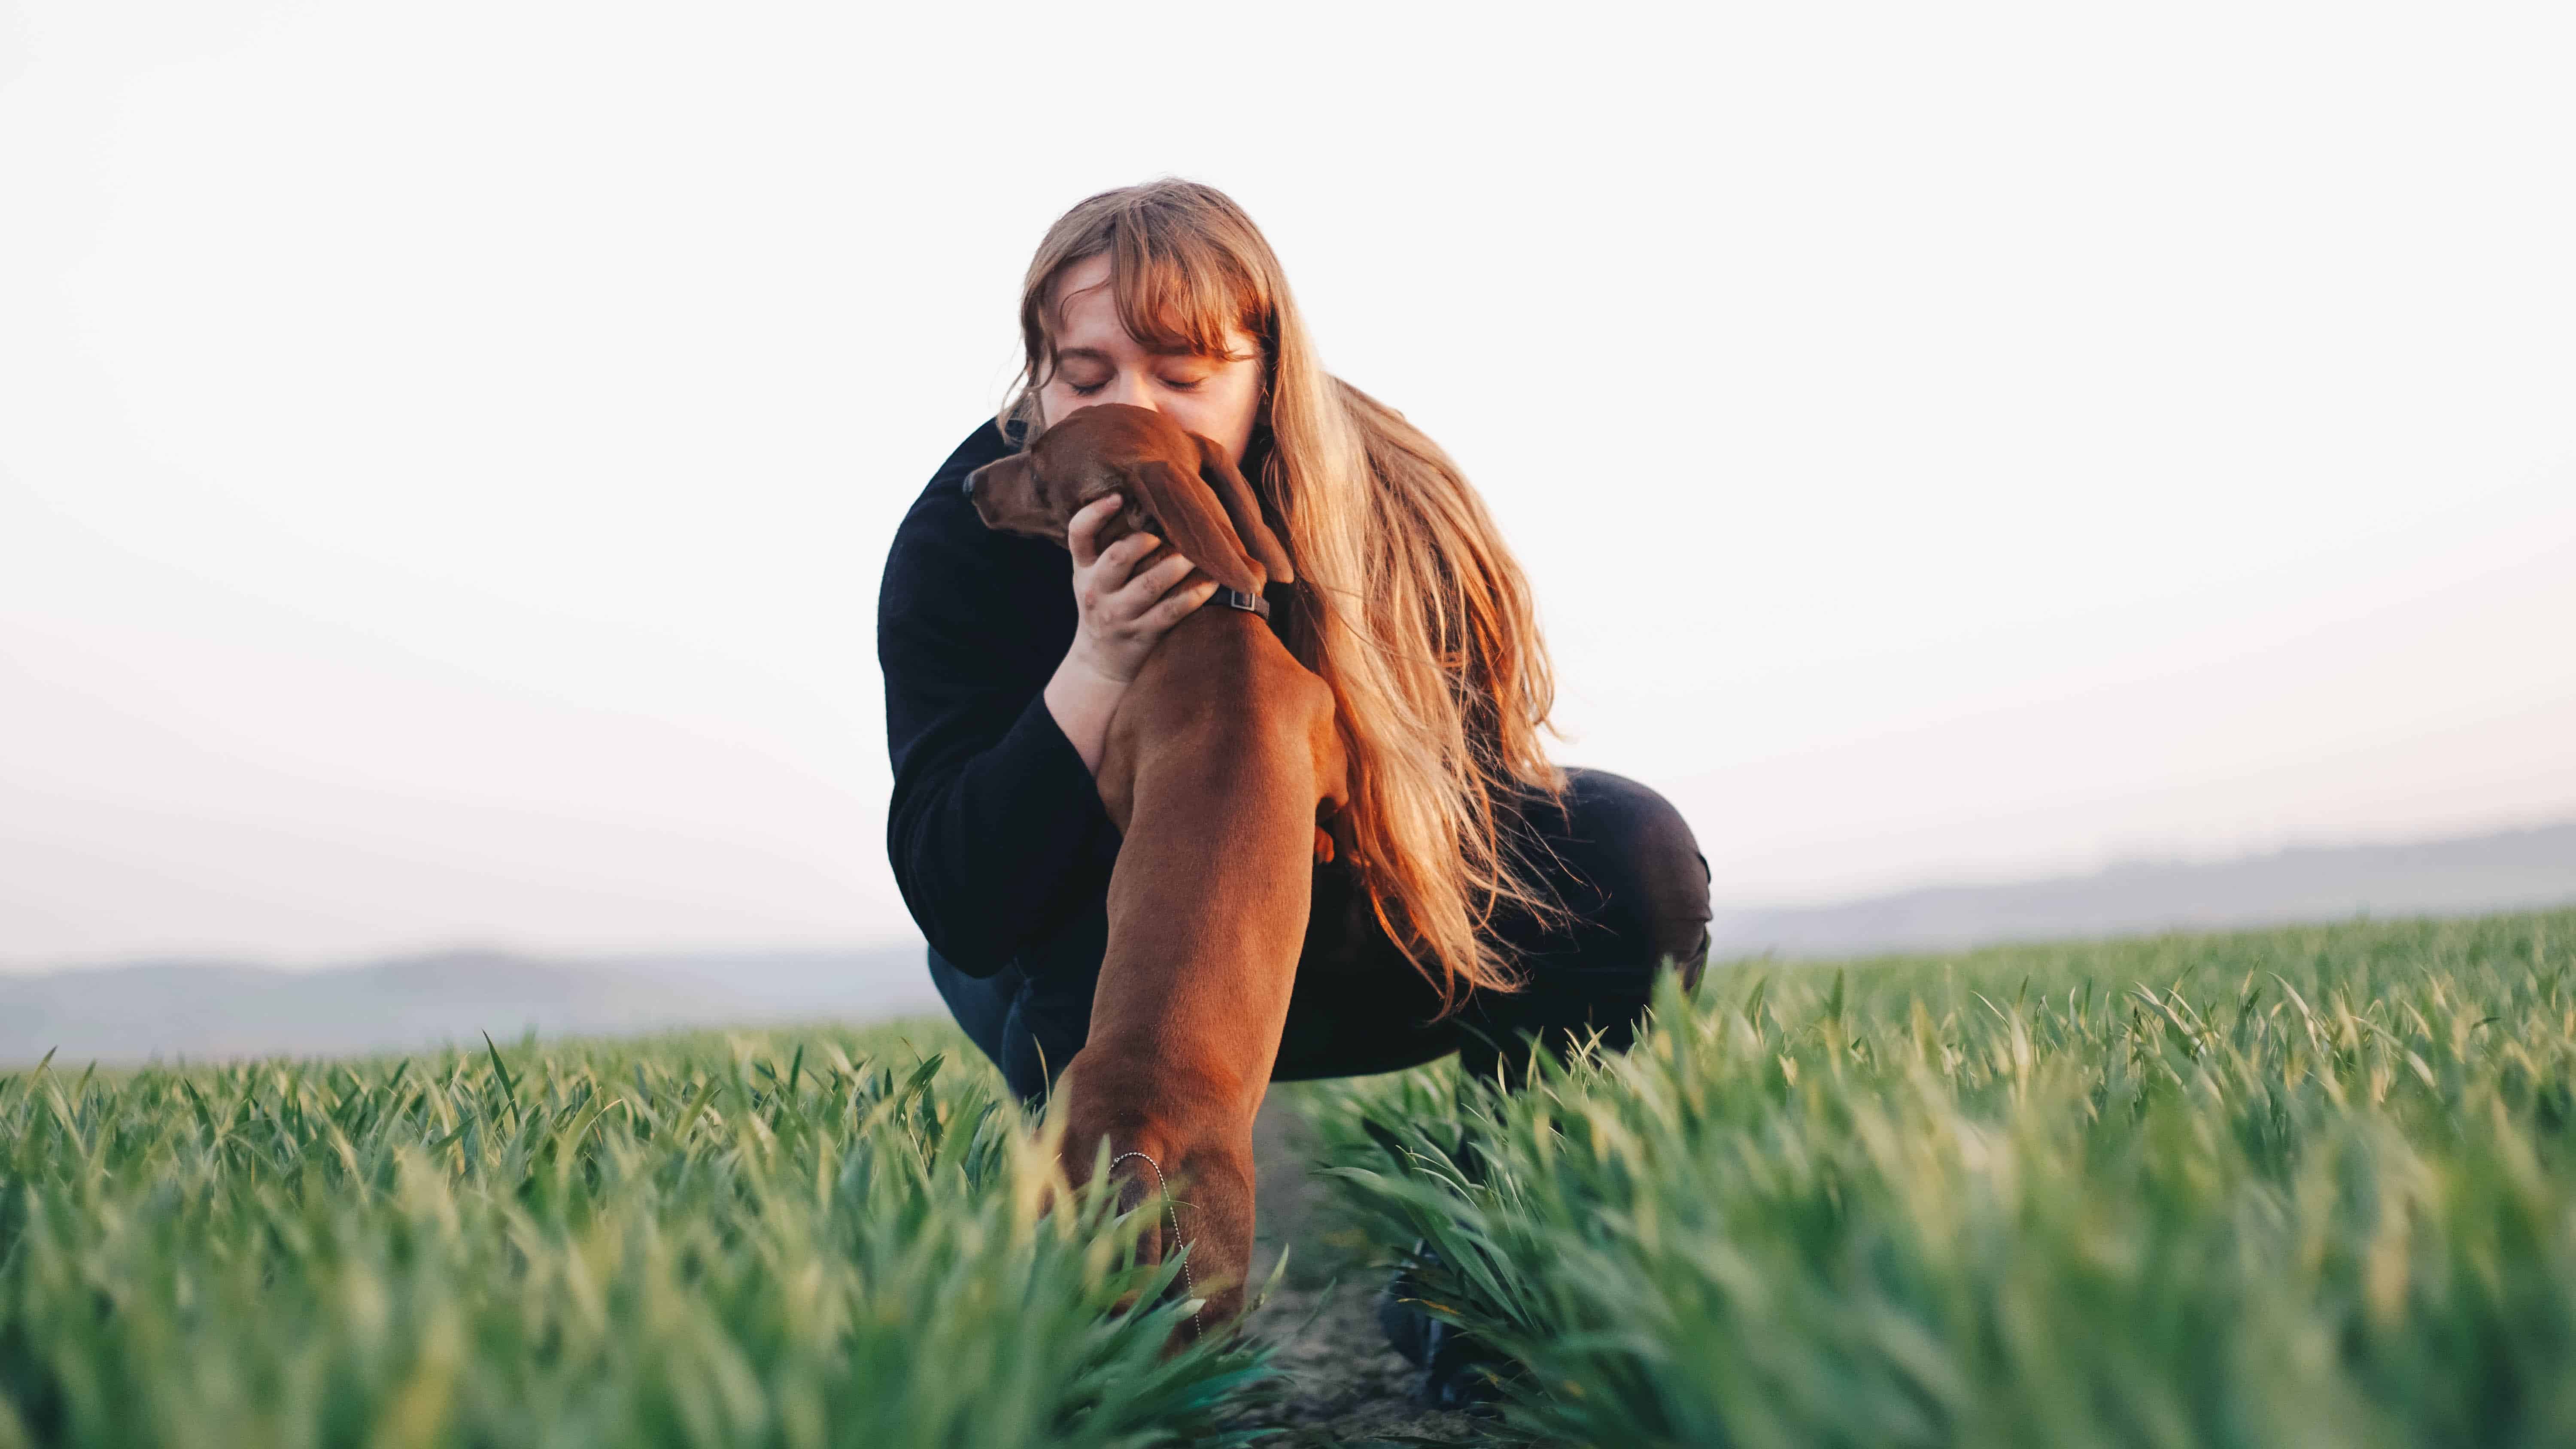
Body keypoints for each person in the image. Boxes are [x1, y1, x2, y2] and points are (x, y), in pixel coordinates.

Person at [875, 178, 1712, 1401]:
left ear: (1267, 370)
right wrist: (1095, 671)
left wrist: (1300, 771)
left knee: (1628, 852)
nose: (1134, 408)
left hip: (1364, 913)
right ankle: (1135, 1328)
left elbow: (1474, 787)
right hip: (1070, 963)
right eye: (1088, 371)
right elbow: (963, 903)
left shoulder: (1391, 494)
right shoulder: (974, 531)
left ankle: (1494, 1257)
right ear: (1037, 376)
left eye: (1182, 370)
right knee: (1087, 863)